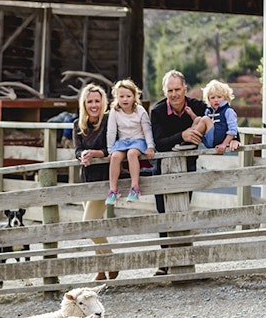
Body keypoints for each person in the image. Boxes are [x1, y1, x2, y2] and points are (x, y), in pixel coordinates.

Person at [149, 70, 212, 276]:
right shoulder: (157, 112)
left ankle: (182, 260)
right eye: (170, 90)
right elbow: (159, 143)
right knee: (163, 214)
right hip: (163, 169)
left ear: (185, 88)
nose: (174, 94)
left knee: (183, 211)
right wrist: (183, 135)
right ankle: (166, 261)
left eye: (177, 89)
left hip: (188, 167)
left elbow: (215, 127)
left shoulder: (198, 107)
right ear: (164, 91)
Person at [73, 83, 117, 281]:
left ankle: (110, 259)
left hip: (104, 179)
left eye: (97, 101)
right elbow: (76, 150)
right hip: (86, 179)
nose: (94, 105)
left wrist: (96, 153)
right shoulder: (78, 125)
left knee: (88, 224)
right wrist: (82, 154)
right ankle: (101, 269)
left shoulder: (109, 121)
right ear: (84, 103)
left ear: (103, 102)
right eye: (90, 101)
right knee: (95, 225)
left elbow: (114, 148)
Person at [104, 78, 154, 206]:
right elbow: (111, 132)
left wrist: (150, 146)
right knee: (115, 156)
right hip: (123, 142)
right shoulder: (115, 111)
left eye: (128, 96)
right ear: (116, 97)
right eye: (121, 96)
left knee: (132, 154)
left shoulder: (140, 111)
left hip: (138, 141)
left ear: (134, 97)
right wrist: (110, 150)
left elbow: (147, 129)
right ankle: (113, 190)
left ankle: (135, 188)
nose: (125, 99)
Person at [201, 79, 240, 154]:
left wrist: (224, 144)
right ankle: (189, 141)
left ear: (225, 97)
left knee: (204, 119)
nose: (216, 100)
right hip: (208, 140)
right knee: (198, 119)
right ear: (208, 100)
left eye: (219, 97)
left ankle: (189, 141)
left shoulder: (228, 111)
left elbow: (233, 130)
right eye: (212, 98)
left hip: (220, 140)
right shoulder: (208, 111)